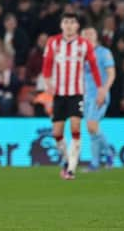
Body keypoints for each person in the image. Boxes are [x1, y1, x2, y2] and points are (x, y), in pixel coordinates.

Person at [42, 12, 102, 180]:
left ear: (77, 26)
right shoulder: (53, 42)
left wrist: (100, 89)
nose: (69, 25)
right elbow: (46, 65)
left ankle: (71, 169)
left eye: (72, 22)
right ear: (62, 25)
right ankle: (67, 160)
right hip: (59, 94)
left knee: (75, 127)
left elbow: (94, 67)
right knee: (57, 133)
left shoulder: (84, 45)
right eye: (66, 22)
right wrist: (47, 83)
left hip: (76, 93)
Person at [80, 27, 116, 172]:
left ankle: (109, 152)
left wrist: (104, 89)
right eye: (85, 35)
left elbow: (111, 74)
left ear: (96, 36)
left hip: (100, 94)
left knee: (91, 125)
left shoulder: (104, 53)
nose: (88, 36)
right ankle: (95, 163)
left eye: (91, 34)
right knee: (92, 130)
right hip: (87, 96)